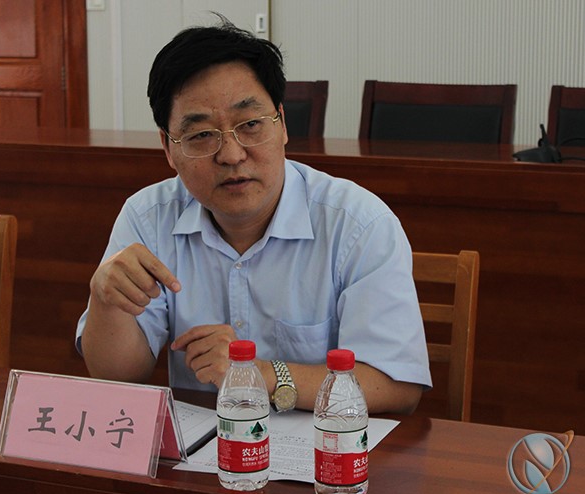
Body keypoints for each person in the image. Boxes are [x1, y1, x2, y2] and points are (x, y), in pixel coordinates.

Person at [76, 18, 431, 414]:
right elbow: (117, 376)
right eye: (201, 135)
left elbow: (396, 387)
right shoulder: (147, 218)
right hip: (203, 450)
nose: (231, 155)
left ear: (282, 124)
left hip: (324, 447)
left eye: (249, 125)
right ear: (168, 147)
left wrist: (259, 374)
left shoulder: (358, 224)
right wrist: (104, 300)